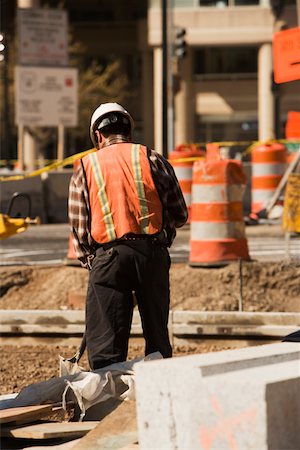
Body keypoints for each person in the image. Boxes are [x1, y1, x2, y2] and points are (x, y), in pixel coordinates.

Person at [68, 102, 188, 370]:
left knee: (105, 344)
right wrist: (161, 235)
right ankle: (159, 395)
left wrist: (93, 261)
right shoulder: (152, 158)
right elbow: (179, 213)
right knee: (157, 336)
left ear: (98, 136)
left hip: (108, 257)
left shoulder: (86, 167)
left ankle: (105, 402)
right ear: (129, 132)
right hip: (152, 254)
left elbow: (80, 227)